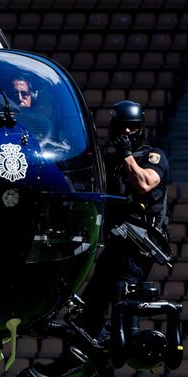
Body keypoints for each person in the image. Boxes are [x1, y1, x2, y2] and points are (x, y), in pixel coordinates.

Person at [78, 99, 172, 343]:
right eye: (122, 127)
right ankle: (83, 349)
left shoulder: (153, 157)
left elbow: (143, 184)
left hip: (139, 246)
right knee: (91, 301)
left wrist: (127, 155)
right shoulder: (109, 163)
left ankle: (123, 343)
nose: (127, 133)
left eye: (132, 127)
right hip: (115, 243)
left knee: (123, 295)